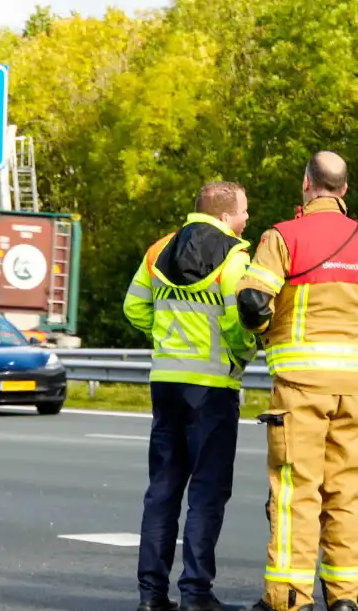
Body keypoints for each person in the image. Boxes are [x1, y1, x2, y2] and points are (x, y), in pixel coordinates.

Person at [235, 151, 358, 611]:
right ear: (345, 190)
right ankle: (346, 599)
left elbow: (253, 303)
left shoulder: (282, 237)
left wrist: (268, 333)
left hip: (298, 389)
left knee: (296, 493)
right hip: (353, 390)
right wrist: (357, 329)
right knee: (345, 496)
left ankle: (290, 598)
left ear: (306, 184)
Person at [123, 181, 258, 611]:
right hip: (213, 388)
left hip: (165, 382)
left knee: (162, 489)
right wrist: (240, 355)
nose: (246, 219)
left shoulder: (157, 250)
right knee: (206, 491)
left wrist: (167, 339)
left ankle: (151, 596)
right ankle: (196, 593)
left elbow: (133, 308)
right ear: (224, 216)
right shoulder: (235, 257)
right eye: (243, 212)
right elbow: (240, 323)